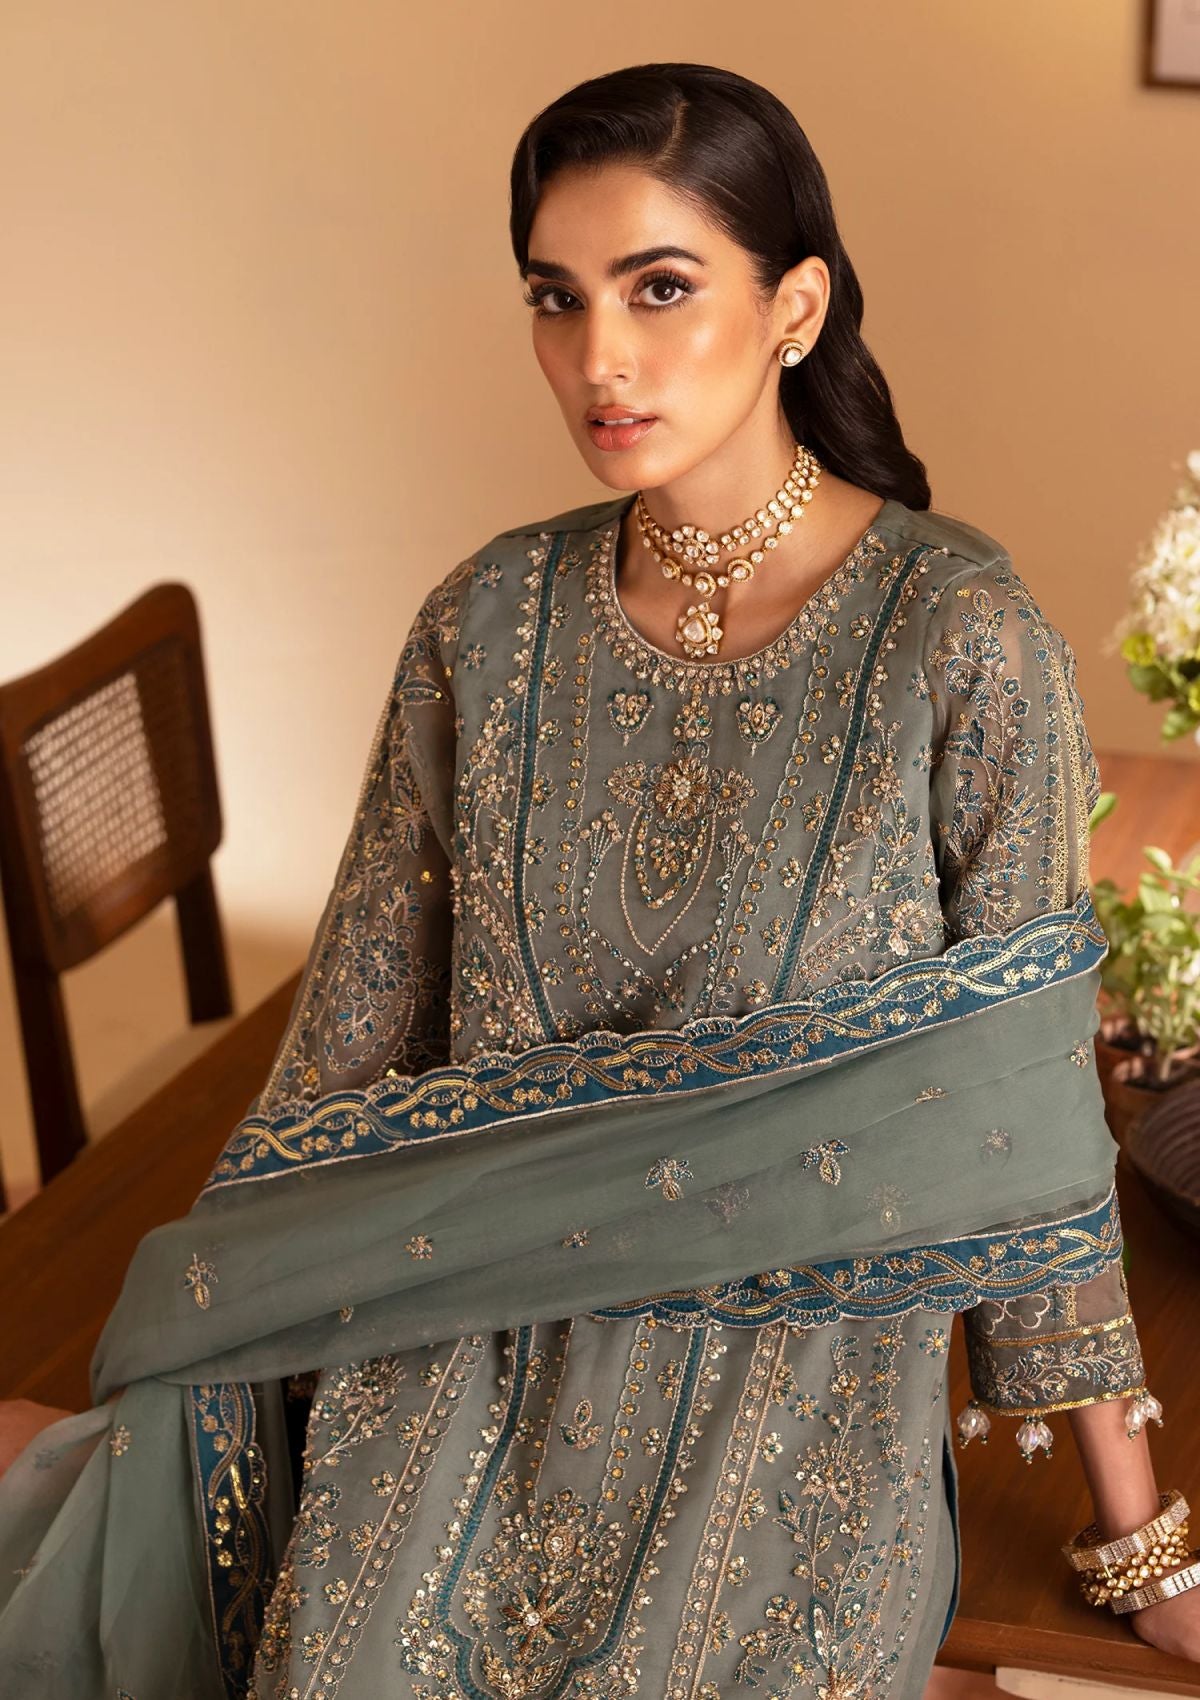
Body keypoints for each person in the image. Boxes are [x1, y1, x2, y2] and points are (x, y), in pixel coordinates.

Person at [1, 60, 1197, 1700]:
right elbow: (345, 1058)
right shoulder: (485, 626)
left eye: (659, 288)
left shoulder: (959, 638)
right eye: (556, 298)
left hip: (795, 1382)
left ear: (795, 307)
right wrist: (224, 1335)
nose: (598, 358)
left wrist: (1141, 1542)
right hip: (462, 1346)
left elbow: (1021, 1121)